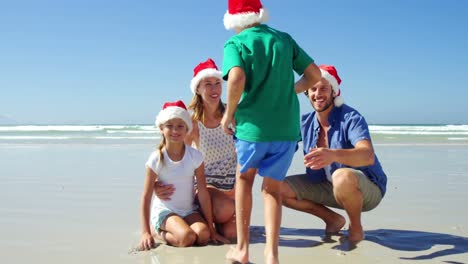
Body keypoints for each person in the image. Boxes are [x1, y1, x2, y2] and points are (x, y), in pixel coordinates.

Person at [220, 0, 322, 263]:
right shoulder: (284, 39)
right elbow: (314, 74)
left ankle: (242, 250)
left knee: (244, 180)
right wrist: (293, 90)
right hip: (286, 129)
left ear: (232, 19)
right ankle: (271, 255)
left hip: (254, 128)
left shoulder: (236, 43)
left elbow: (237, 77)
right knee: (272, 190)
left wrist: (229, 113)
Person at [282, 65, 388, 244]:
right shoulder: (305, 122)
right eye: (313, 89)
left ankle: (355, 227)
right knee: (276, 188)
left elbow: (367, 155)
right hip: (327, 186)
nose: (318, 94)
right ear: (307, 93)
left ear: (333, 91)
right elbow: (281, 145)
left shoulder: (351, 118)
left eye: (323, 88)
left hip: (367, 189)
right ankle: (332, 219)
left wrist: (332, 154)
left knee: (342, 176)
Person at [154, 59, 237, 241]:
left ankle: (209, 222)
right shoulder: (192, 123)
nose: (214, 89)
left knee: (232, 234)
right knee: (225, 210)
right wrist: (155, 184)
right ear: (198, 89)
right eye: (208, 84)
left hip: (233, 187)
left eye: (217, 83)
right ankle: (182, 221)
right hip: (206, 188)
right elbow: (171, 152)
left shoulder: (232, 115)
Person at [139, 100, 224, 249]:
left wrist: (211, 228)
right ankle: (156, 231)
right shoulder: (156, 158)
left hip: (188, 210)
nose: (175, 131)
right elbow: (146, 196)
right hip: (165, 211)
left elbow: (203, 192)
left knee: (203, 235)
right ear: (161, 128)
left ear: (187, 129)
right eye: (169, 126)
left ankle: (183, 228)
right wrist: (145, 232)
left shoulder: (195, 157)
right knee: (187, 238)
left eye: (180, 126)